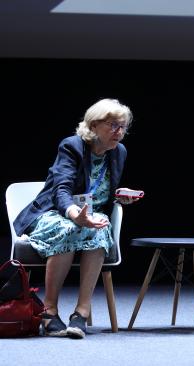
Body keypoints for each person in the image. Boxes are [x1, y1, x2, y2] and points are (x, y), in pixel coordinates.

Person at [13, 98, 140, 339]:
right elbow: (61, 189)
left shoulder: (118, 151)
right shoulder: (72, 146)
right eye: (113, 125)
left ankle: (80, 314)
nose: (119, 132)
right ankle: (49, 312)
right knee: (68, 227)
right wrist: (75, 215)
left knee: (101, 228)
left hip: (89, 216)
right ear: (93, 126)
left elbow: (101, 191)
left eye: (123, 126)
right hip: (53, 212)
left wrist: (119, 199)